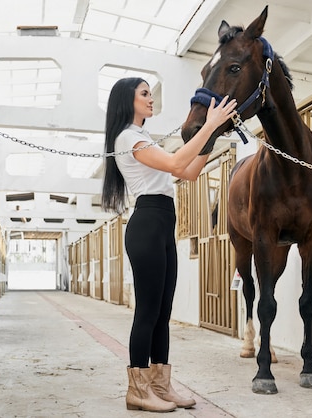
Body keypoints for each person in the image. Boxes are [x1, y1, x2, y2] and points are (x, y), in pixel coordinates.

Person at [101, 77, 237, 412]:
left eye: (151, 94)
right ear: (127, 100)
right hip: (147, 222)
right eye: (144, 94)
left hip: (164, 221)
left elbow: (187, 173)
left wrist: (214, 136)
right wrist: (210, 124)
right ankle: (137, 389)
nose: (151, 99)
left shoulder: (144, 136)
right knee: (147, 311)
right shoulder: (128, 137)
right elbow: (177, 163)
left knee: (163, 313)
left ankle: (161, 386)